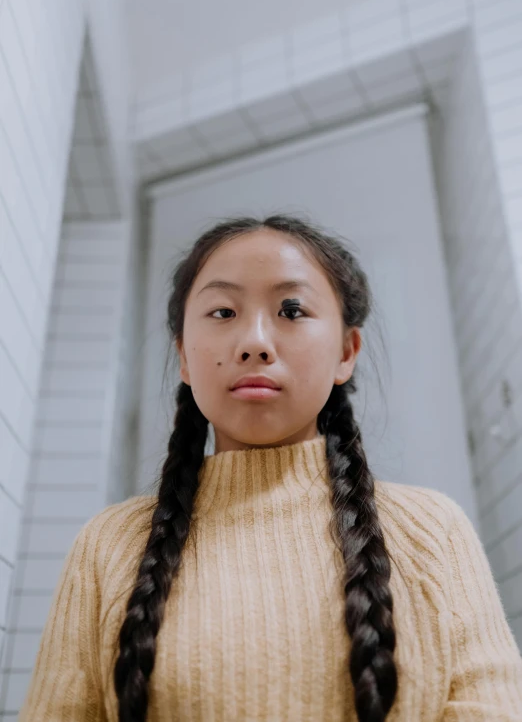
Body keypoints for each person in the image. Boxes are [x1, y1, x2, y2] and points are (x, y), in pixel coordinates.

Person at [19, 214, 522, 722]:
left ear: (346, 352)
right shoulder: (107, 545)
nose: (255, 341)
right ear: (185, 359)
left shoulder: (432, 531)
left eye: (291, 309)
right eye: (222, 311)